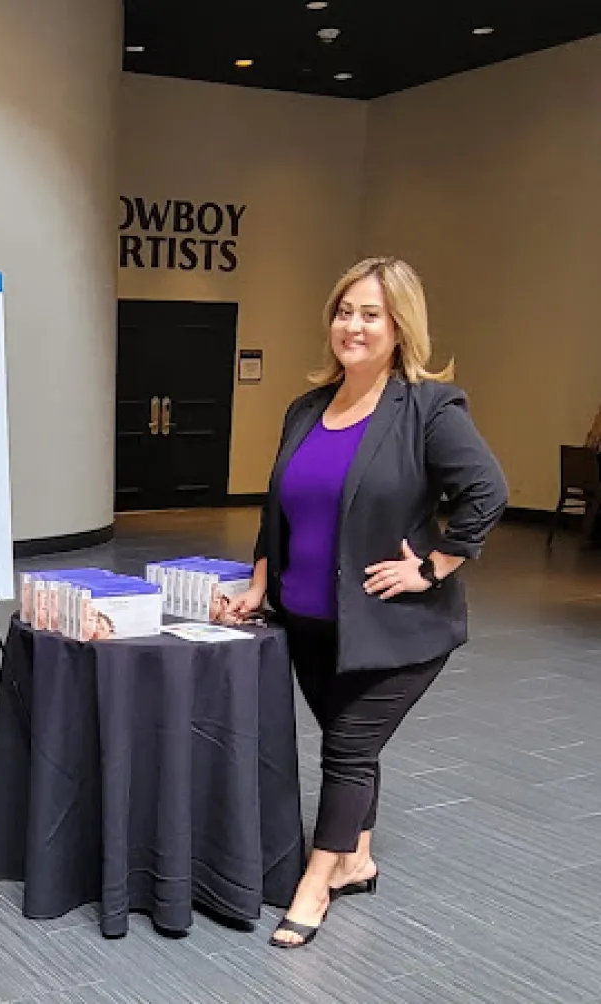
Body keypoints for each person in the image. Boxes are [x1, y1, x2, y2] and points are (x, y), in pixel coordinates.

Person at [227, 257, 507, 949]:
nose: (352, 325)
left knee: (349, 748)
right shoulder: (306, 409)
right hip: (311, 621)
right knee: (351, 743)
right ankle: (357, 858)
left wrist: (435, 567)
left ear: (399, 325)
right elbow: (278, 511)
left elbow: (488, 491)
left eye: (370, 314)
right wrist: (261, 583)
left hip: (395, 629)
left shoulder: (428, 408)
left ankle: (315, 883)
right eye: (344, 310)